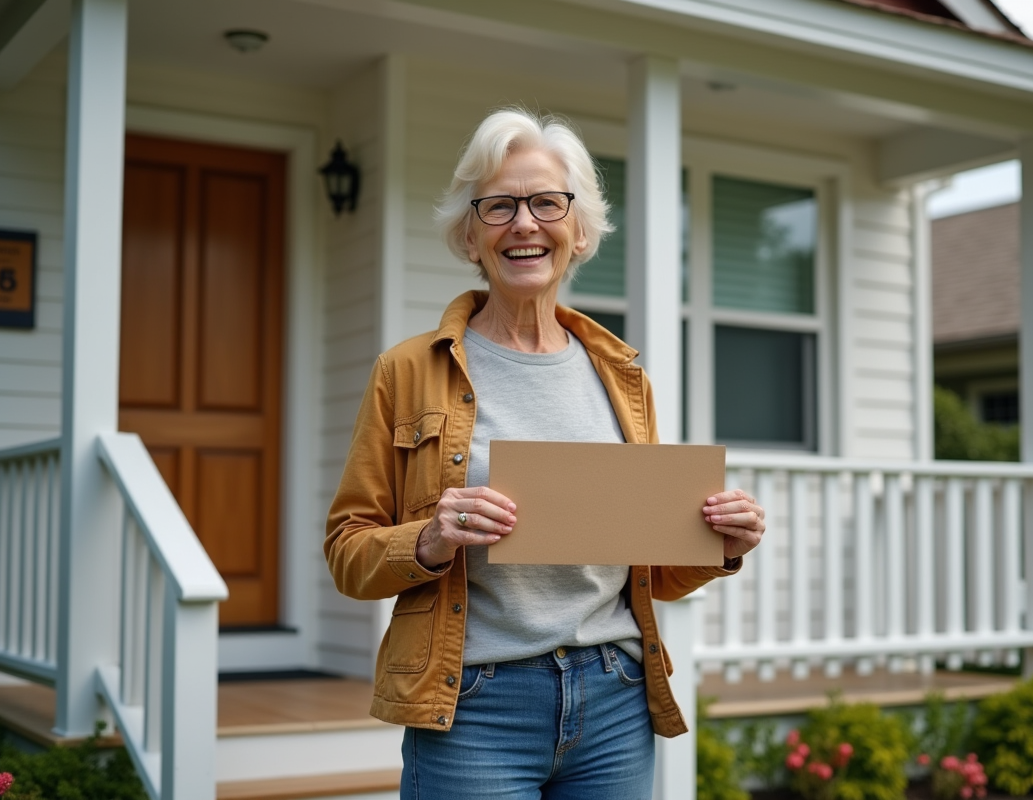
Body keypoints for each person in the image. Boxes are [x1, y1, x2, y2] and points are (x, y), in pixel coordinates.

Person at [325, 107, 765, 800]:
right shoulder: (407, 372)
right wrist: (432, 540)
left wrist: (721, 543)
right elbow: (348, 553)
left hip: (615, 698)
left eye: (545, 203)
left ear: (579, 229)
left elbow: (647, 569)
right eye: (498, 206)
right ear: (470, 235)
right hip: (473, 705)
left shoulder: (624, 377)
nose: (523, 223)